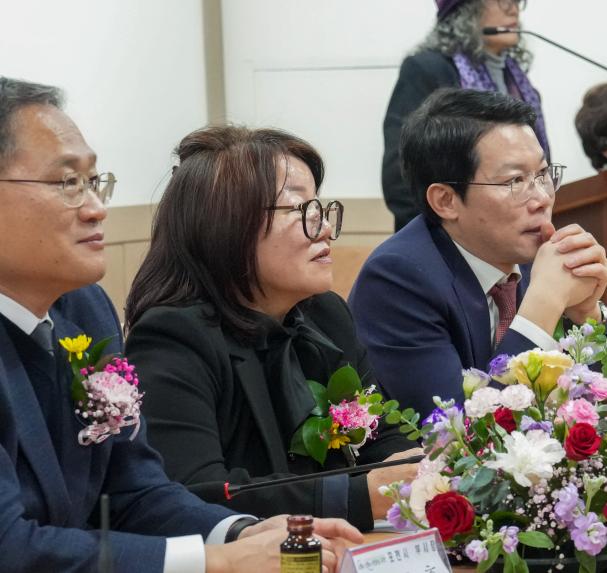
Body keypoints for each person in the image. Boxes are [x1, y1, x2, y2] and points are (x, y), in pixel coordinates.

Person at [0, 77, 361, 572]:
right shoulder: (175, 333)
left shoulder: (82, 309)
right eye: (67, 183)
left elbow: (136, 491)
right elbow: (10, 546)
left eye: (93, 181)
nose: (96, 208)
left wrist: (242, 533)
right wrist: (216, 562)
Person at [124, 126, 419, 532]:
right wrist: (365, 494)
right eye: (302, 212)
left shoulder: (325, 316)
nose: (326, 230)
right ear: (226, 225)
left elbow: (384, 435)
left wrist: (411, 472)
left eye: (321, 209)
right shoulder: (173, 337)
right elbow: (197, 492)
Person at [351, 88, 607, 417]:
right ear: (445, 201)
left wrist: (586, 316)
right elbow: (459, 436)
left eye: (543, 174)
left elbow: (593, 415)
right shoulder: (397, 280)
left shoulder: (533, 260)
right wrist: (543, 305)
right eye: (515, 180)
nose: (543, 198)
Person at [382, 0, 549, 231]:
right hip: (445, 239)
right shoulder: (428, 70)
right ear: (464, 10)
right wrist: (443, 240)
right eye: (501, 0)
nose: (512, 8)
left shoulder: (520, 83)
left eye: (516, 1)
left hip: (514, 236)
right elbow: (401, 174)